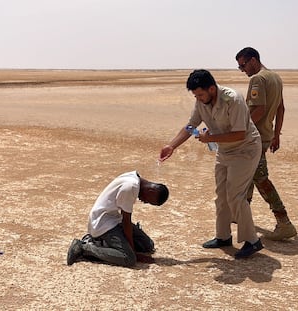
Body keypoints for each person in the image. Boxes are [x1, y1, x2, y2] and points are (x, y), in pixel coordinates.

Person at [159, 69, 263, 259]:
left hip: (245, 149)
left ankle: (253, 241)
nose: (198, 98)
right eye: (195, 95)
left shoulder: (233, 99)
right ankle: (223, 236)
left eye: (200, 94)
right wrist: (172, 146)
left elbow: (240, 133)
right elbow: (191, 126)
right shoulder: (201, 102)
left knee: (235, 195)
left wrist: (211, 138)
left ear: (212, 89)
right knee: (221, 195)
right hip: (224, 150)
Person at [236, 47, 297, 241]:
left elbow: (259, 110)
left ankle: (284, 221)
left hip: (255, 137)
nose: (243, 70)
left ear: (253, 60)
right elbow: (281, 108)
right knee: (249, 174)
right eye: (239, 67)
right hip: (266, 135)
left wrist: (240, 131)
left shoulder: (258, 79)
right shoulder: (275, 77)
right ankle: (241, 213)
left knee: (260, 178)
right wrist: (276, 134)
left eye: (243, 65)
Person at [67, 171, 169, 267]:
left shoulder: (134, 177)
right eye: (149, 201)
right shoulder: (130, 187)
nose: (145, 202)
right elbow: (126, 222)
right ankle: (84, 247)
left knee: (147, 245)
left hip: (114, 220)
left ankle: (105, 243)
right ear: (151, 191)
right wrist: (133, 252)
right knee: (129, 258)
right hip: (102, 224)